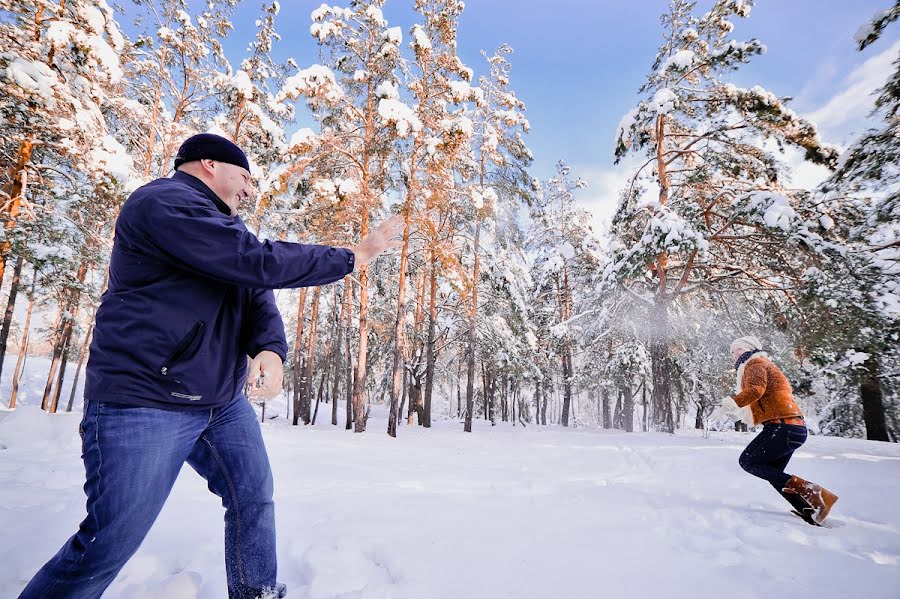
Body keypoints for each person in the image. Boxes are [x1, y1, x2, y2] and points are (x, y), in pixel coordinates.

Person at [19, 133, 403, 599]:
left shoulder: (226, 229)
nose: (248, 190)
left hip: (220, 403)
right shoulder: (162, 203)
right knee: (110, 539)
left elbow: (254, 289)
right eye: (243, 176)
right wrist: (351, 257)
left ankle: (257, 593)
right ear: (208, 163)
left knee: (252, 498)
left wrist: (270, 348)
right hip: (146, 401)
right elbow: (253, 261)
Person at [711, 336, 838, 526]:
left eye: (738, 349)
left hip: (783, 427)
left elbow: (756, 390)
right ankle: (810, 510)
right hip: (793, 428)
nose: (734, 354)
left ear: (750, 348)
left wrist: (730, 404)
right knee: (772, 472)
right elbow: (767, 396)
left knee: (747, 461)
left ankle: (817, 495)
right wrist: (738, 413)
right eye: (732, 352)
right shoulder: (763, 365)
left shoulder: (754, 363)